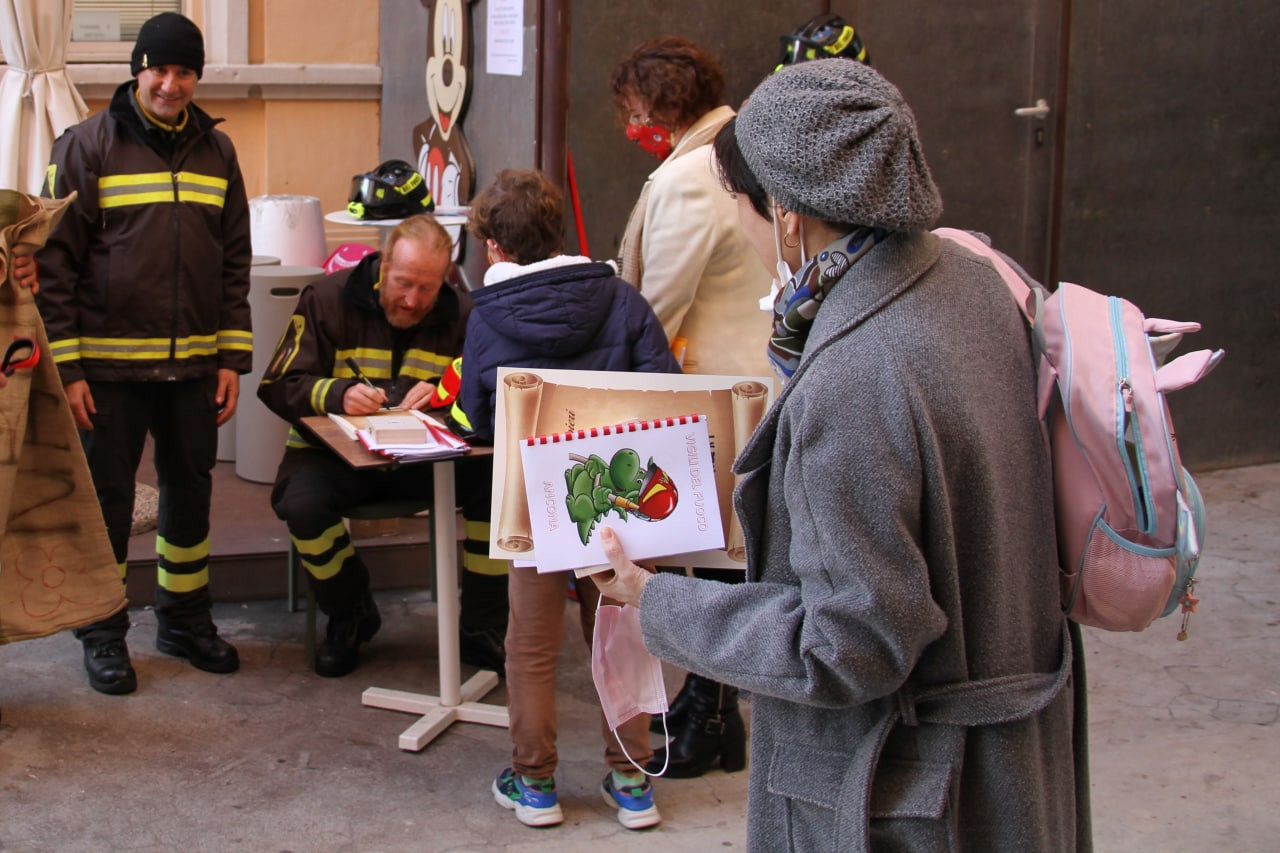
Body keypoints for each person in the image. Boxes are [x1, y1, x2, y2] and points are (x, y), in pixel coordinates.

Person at [594, 58, 1090, 851]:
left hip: (907, 791)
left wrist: (653, 600)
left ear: (787, 214)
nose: (749, 236)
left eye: (742, 214)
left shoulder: (852, 374)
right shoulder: (973, 280)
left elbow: (848, 643)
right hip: (1016, 767)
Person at [452, 169, 680, 830]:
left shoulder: (485, 316)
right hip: (623, 497)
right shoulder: (624, 299)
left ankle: (536, 783)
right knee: (622, 630)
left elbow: (478, 417)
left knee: (529, 644)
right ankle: (633, 781)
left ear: (494, 247)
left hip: (533, 498)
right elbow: (663, 390)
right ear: (561, 234)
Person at [35, 12, 252, 695]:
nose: (170, 83)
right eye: (159, 68)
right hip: (107, 372)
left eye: (184, 71)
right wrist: (67, 370)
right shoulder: (85, 147)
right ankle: (102, 633)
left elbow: (234, 262)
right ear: (137, 68)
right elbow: (51, 267)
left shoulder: (219, 153)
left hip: (192, 367)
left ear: (196, 77)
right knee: (107, 503)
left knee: (190, 497)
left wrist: (229, 359)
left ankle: (184, 620)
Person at [609, 36, 770, 777]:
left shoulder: (690, 178)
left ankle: (711, 716)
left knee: (714, 562)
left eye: (635, 111)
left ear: (665, 106)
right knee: (726, 558)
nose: (629, 126)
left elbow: (655, 304)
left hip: (712, 393)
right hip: (752, 383)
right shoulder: (741, 152)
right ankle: (708, 706)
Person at [257, 213, 508, 678]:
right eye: (403, 283)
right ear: (383, 264)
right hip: (333, 455)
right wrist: (337, 395)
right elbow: (278, 383)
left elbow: (494, 391)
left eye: (428, 289)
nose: (413, 301)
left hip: (427, 459)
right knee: (301, 503)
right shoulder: (327, 298)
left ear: (446, 279)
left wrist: (445, 390)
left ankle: (482, 627)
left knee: (500, 491)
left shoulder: (465, 313)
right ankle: (350, 611)